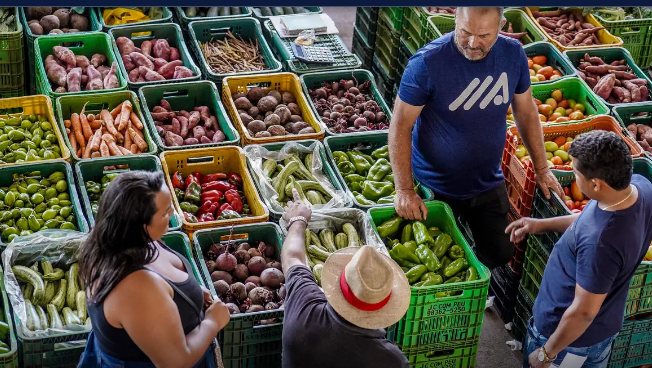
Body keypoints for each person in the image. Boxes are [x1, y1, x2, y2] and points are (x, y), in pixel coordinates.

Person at [389, 6, 563, 270]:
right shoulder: (427, 63)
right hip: (434, 185)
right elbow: (400, 126)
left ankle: (481, 289)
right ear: (455, 19)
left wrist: (541, 168)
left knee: (500, 253)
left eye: (484, 36)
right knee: (433, 262)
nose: (472, 43)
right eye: (465, 32)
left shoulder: (512, 54)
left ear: (502, 25)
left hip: (486, 181)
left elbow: (526, 112)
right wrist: (404, 190)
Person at [506, 131, 652, 368]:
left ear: (596, 183)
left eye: (576, 173)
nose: (574, 177)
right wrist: (542, 224)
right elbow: (588, 220)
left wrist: (547, 353)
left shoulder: (602, 243)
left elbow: (583, 312)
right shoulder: (638, 188)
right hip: (602, 327)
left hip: (570, 343)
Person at [77, 171, 231, 368]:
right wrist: (212, 323)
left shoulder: (113, 240)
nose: (173, 214)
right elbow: (175, 362)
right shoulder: (137, 288)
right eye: (166, 212)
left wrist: (185, 292)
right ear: (142, 225)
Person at [281, 188, 410, 368]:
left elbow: (293, 258)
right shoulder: (391, 360)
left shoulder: (304, 314)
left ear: (338, 283)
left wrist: (298, 220)